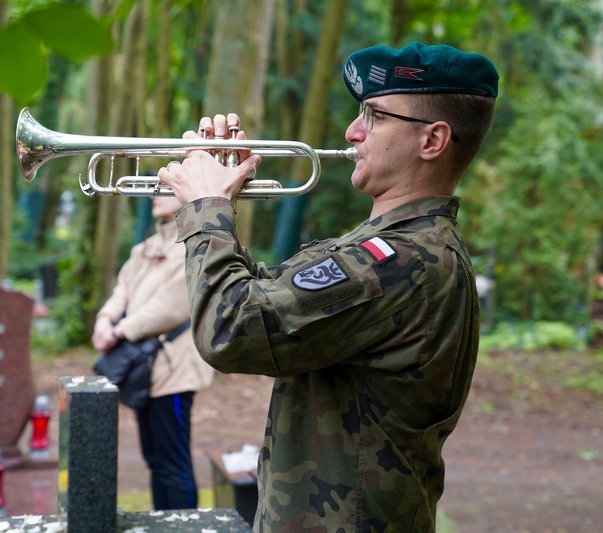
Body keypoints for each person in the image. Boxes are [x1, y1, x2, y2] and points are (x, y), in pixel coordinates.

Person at [158, 42, 498, 531]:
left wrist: (206, 209)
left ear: (432, 141)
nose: (352, 131)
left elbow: (229, 328)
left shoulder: (404, 262)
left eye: (375, 117)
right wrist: (221, 196)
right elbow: (264, 302)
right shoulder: (385, 249)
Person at [91, 195, 215, 510]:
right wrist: (105, 320)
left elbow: (169, 308)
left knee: (173, 462)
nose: (154, 194)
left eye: (164, 188)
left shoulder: (194, 246)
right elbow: (122, 289)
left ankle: (184, 528)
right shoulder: (143, 249)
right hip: (145, 370)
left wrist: (120, 331)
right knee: (155, 459)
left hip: (174, 372)